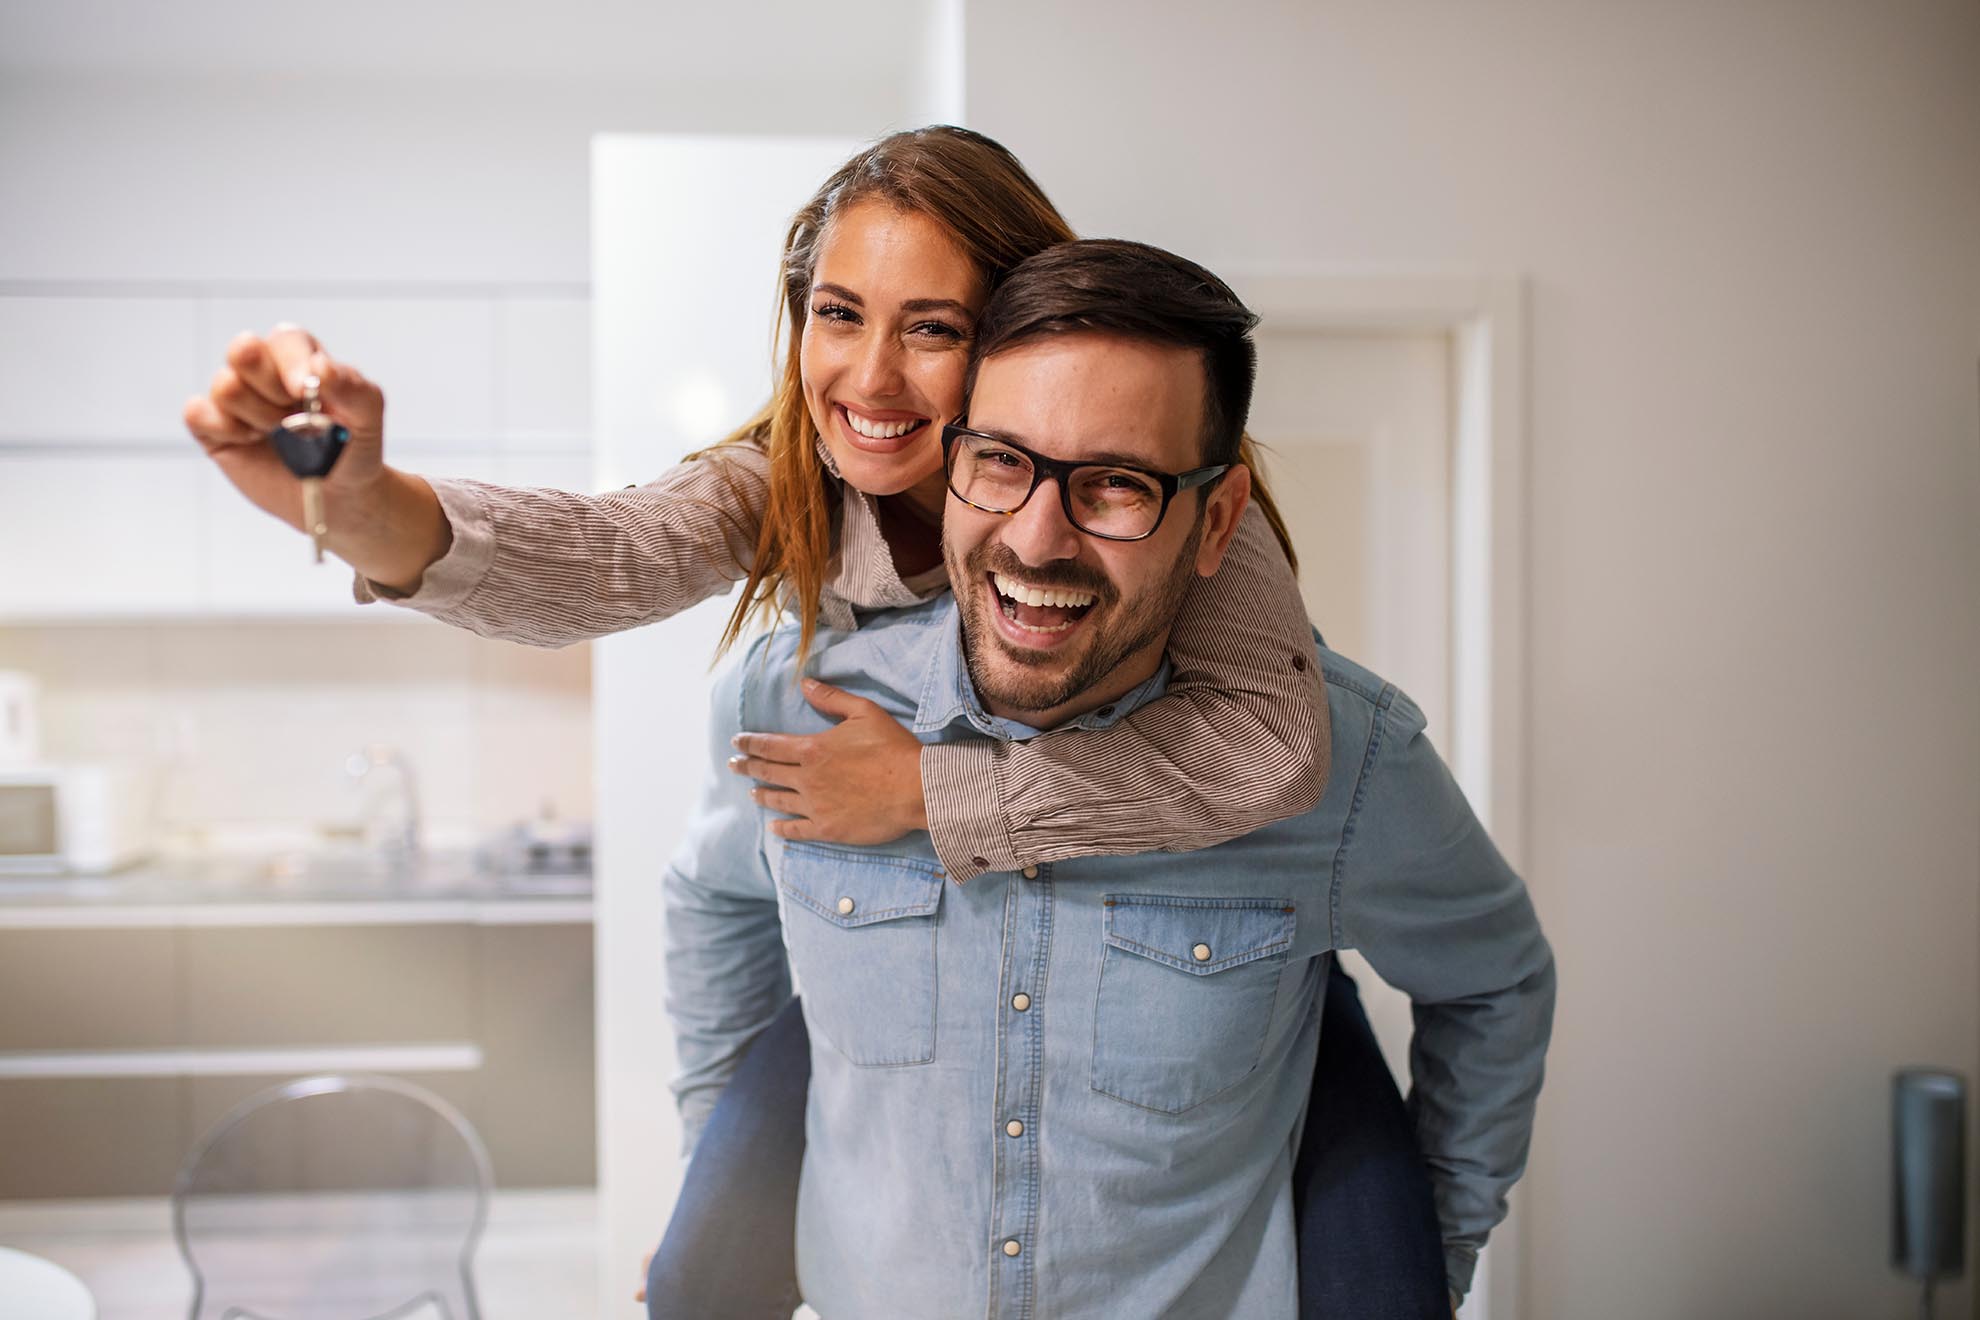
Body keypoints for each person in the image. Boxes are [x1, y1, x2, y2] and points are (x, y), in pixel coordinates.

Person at [178, 127, 1439, 1311]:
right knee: (698, 1278)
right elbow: (603, 558)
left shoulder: (1162, 513)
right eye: (838, 315)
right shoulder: (794, 477)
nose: (871, 380)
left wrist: (932, 795)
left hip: (1196, 943)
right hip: (898, 951)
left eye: (932, 329)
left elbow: (1273, 747)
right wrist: (357, 503)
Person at [663, 239, 1554, 1318]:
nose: (1038, 541)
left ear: (1217, 521)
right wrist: (717, 1177)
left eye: (1116, 486)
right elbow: (714, 895)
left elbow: (1493, 978)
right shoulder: (789, 701)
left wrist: (1436, 1253)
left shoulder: (1348, 764)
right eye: (1000, 461)